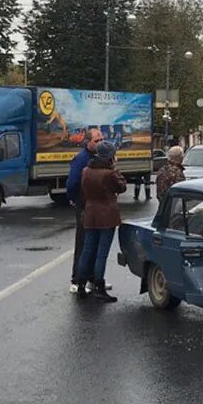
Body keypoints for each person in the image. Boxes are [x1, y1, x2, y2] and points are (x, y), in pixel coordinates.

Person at [76, 141, 126, 302]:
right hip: (106, 215)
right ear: (110, 156)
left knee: (87, 249)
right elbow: (121, 187)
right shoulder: (110, 173)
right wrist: (115, 170)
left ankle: (81, 284)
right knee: (101, 253)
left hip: (90, 213)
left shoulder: (86, 171)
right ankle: (99, 286)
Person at [67, 127, 103, 294]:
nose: (100, 143)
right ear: (88, 142)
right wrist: (76, 201)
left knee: (95, 242)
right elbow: (72, 183)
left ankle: (93, 278)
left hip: (97, 205)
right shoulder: (81, 159)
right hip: (85, 205)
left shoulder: (100, 158)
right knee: (83, 242)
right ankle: (76, 279)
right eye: (97, 140)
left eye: (102, 139)